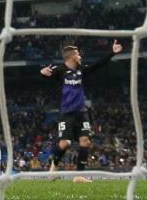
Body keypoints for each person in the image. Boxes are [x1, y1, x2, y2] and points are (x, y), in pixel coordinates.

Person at [40, 40, 123, 181]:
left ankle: (79, 176)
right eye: (78, 54)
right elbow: (45, 73)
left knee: (85, 141)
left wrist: (112, 53)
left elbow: (98, 65)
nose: (80, 56)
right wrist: (42, 72)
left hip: (81, 112)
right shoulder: (60, 71)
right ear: (71, 56)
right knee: (65, 143)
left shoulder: (81, 70)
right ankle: (53, 167)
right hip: (66, 113)